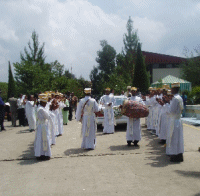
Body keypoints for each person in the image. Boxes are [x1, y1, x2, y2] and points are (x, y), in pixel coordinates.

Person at [165, 83, 184, 162]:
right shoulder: (179, 97)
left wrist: (166, 103)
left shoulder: (175, 99)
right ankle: (179, 154)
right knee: (178, 138)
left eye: (172, 89)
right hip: (178, 120)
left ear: (174, 89)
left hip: (174, 121)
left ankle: (174, 155)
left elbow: (171, 111)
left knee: (173, 138)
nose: (171, 90)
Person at [34, 96, 51, 160]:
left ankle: (40, 153)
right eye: (45, 103)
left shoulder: (39, 107)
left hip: (41, 125)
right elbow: (47, 116)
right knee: (44, 139)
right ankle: (44, 154)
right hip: (43, 125)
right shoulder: (41, 109)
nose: (46, 104)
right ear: (42, 103)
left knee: (40, 140)